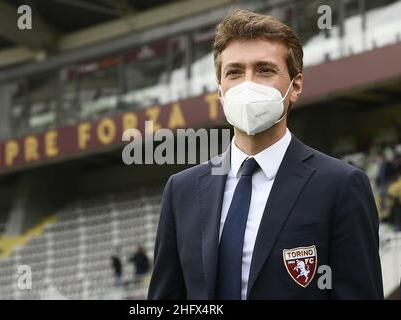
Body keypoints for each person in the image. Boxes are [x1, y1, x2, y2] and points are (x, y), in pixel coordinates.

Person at [148, 10, 383, 300]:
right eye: (234, 72)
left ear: (295, 86)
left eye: (265, 70)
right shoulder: (181, 190)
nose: (248, 85)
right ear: (220, 92)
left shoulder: (341, 185)